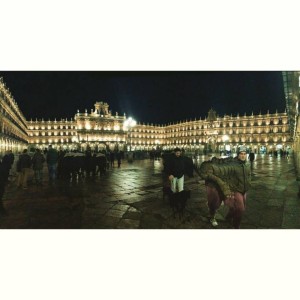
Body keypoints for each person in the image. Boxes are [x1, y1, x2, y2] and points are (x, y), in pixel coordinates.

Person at [199, 146, 251, 229]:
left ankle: (228, 217)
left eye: (245, 154)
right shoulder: (233, 165)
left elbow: (248, 175)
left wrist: (249, 183)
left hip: (244, 189)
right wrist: (208, 167)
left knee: (239, 208)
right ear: (238, 155)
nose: (243, 155)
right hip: (236, 189)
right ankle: (235, 226)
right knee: (240, 209)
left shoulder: (247, 164)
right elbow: (219, 169)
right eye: (241, 154)